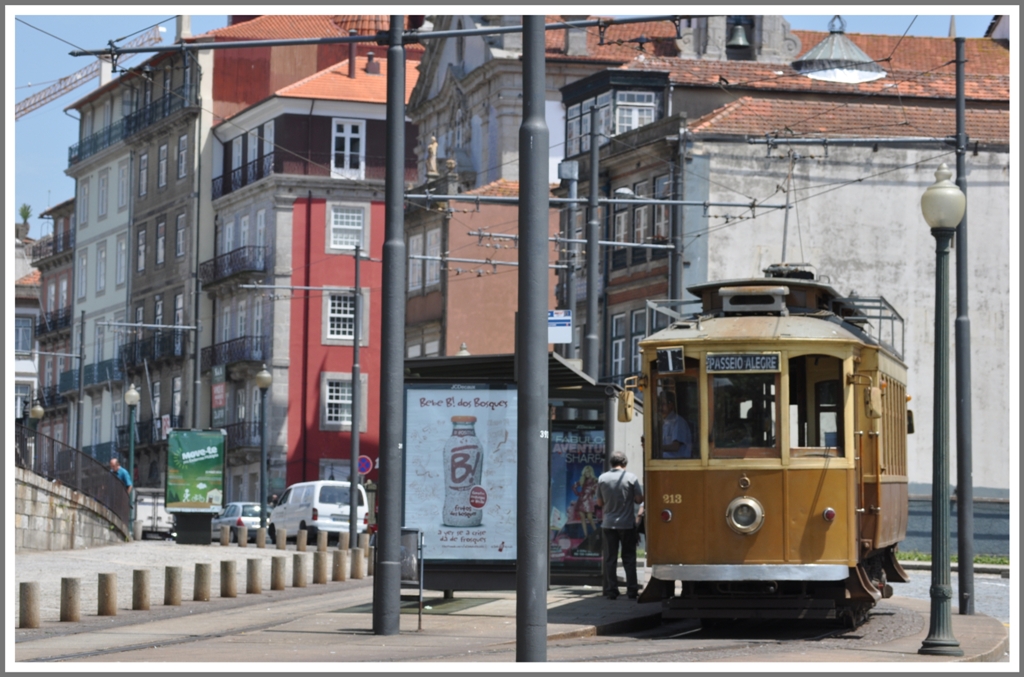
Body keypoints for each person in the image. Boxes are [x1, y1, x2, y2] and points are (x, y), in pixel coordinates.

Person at [596, 451, 644, 600]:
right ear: (625, 463)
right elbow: (639, 499)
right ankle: (632, 591)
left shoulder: (602, 478)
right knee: (629, 558)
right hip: (627, 524)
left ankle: (611, 591)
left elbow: (600, 503)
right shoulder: (631, 478)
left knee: (610, 558)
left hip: (608, 524)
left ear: (611, 463)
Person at [659, 391, 693, 459]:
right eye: (659, 404)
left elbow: (675, 446)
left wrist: (657, 448)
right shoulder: (664, 423)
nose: (660, 407)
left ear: (671, 405)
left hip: (678, 463)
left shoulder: (678, 422)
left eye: (663, 404)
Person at [572, 464, 599, 539]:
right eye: (586, 472)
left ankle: (597, 534)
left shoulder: (595, 480)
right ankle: (586, 536)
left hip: (589, 500)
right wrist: (578, 494)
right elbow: (573, 487)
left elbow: (596, 490)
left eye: (588, 472)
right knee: (582, 518)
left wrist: (594, 492)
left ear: (591, 472)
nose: (587, 473)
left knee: (590, 518)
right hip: (581, 500)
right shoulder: (582, 480)